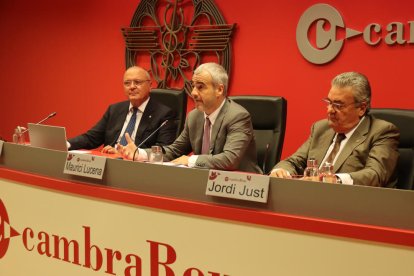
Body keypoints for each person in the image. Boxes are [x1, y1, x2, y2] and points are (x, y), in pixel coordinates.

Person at [118, 62, 262, 174]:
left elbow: (230, 160)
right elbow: (174, 150)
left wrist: (190, 160)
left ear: (219, 89)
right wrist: (140, 153)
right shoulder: (194, 116)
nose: (193, 92)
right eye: (193, 86)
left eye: (200, 87)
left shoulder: (237, 116)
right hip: (206, 181)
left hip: (242, 185)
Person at [270, 72, 400, 188]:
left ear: (361, 108)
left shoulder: (382, 132)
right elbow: (294, 161)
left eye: (338, 105)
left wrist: (333, 180)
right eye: (329, 102)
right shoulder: (321, 128)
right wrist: (282, 171)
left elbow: (375, 175)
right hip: (310, 199)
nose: (330, 110)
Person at [67, 66, 176, 152]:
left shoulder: (164, 114)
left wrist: (125, 153)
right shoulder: (114, 109)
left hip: (139, 168)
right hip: (110, 163)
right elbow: (92, 138)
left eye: (137, 82)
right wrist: (66, 144)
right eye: (127, 83)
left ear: (150, 85)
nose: (132, 87)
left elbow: (162, 149)